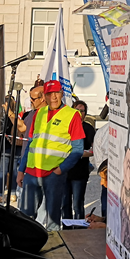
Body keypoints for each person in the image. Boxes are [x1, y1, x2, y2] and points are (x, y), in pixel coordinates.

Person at [17, 80, 85, 231]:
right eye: (49, 94)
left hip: (53, 174)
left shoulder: (72, 115)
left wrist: (60, 170)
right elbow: (30, 144)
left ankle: (53, 252)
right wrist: (21, 170)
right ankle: (26, 248)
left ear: (62, 93)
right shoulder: (38, 113)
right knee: (25, 216)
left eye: (57, 93)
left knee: (52, 219)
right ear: (44, 97)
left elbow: (78, 149)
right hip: (32, 173)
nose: (54, 97)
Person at [63, 99, 95, 220]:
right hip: (65, 171)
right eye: (76, 110)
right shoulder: (65, 126)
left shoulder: (88, 128)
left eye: (82, 111)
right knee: (65, 203)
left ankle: (79, 228)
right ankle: (66, 228)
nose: (79, 113)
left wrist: (78, 153)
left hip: (80, 172)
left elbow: (93, 150)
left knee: (77, 204)